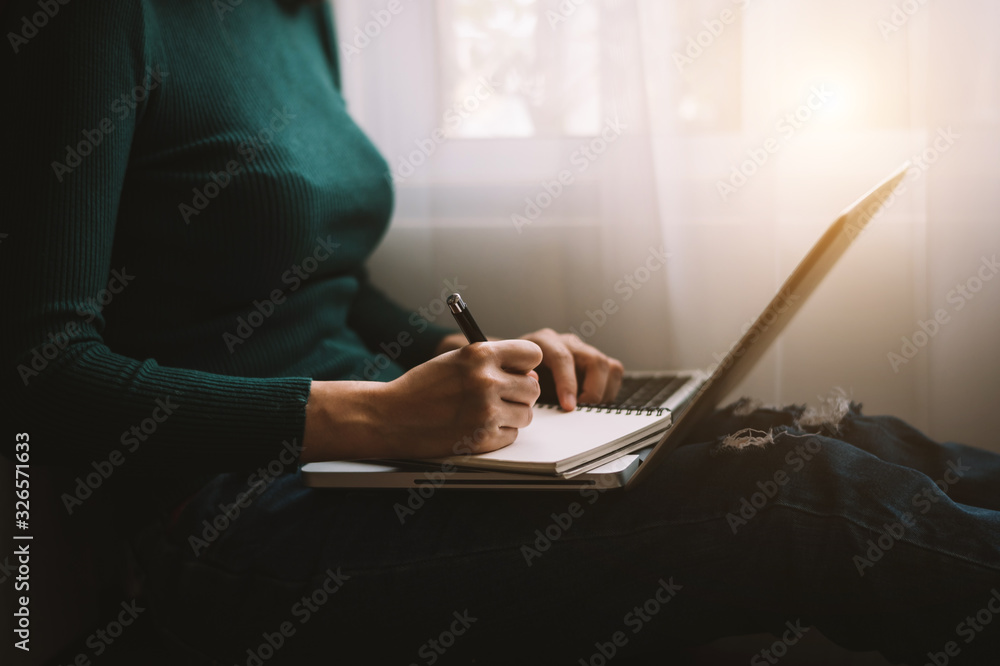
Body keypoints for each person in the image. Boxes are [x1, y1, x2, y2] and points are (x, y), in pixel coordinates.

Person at [2, 2, 998, 664]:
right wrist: (371, 421)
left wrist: (464, 361)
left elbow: (323, 283)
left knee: (832, 435)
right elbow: (41, 372)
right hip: (228, 522)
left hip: (388, 457)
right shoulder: (93, 22)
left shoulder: (299, 16)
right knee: (792, 493)